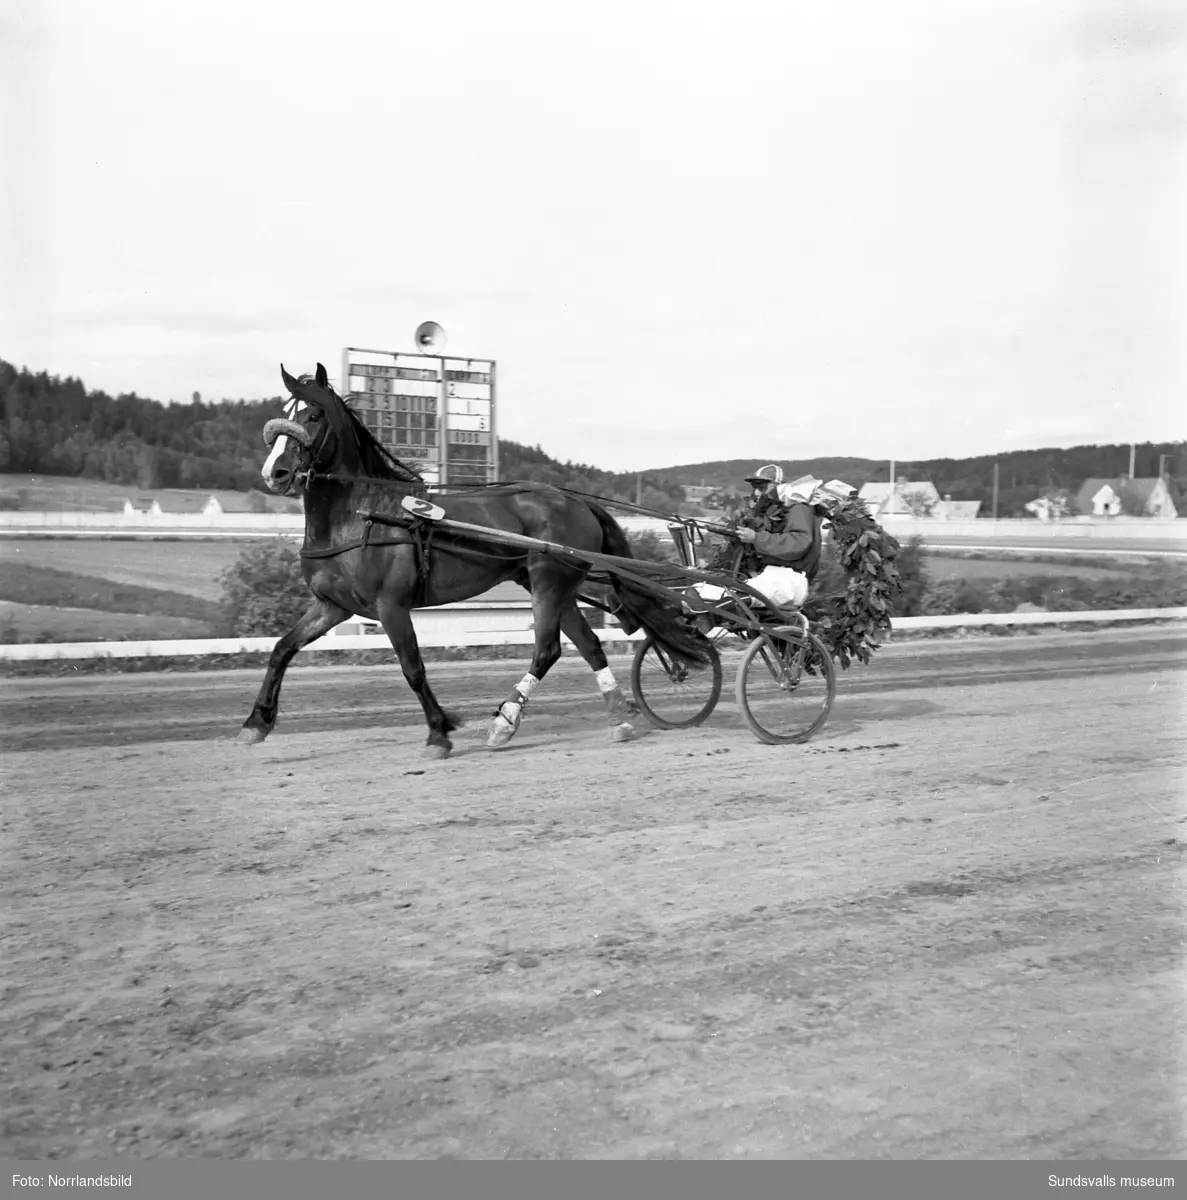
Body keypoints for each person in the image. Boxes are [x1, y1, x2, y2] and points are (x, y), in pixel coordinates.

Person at [731, 464, 821, 608]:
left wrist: (756, 538)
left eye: (761, 487)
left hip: (788, 581)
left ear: (778, 485)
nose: (756, 493)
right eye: (754, 487)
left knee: (730, 599)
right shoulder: (767, 512)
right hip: (772, 577)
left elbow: (799, 544)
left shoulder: (797, 508)